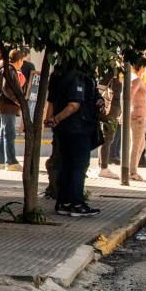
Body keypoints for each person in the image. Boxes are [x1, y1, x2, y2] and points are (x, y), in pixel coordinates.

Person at [45, 62, 102, 217]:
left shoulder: (56, 75)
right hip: (78, 128)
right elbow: (74, 105)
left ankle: (64, 203)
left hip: (63, 129)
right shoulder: (78, 76)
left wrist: (51, 120)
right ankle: (76, 204)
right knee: (79, 165)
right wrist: (56, 119)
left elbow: (51, 101)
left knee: (67, 165)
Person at [0, 49, 25, 171]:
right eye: (22, 60)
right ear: (19, 60)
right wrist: (17, 100)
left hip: (2, 105)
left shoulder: (3, 67)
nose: (23, 63)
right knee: (9, 134)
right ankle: (11, 162)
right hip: (8, 106)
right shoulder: (10, 69)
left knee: (3, 132)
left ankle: (0, 161)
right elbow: (6, 88)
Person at [97, 68, 122, 179]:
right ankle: (103, 168)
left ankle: (102, 166)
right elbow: (100, 89)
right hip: (109, 111)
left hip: (113, 110)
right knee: (108, 138)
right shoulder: (113, 72)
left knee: (106, 138)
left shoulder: (118, 72)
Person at [129, 59, 146, 182]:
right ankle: (132, 172)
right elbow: (129, 95)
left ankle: (133, 170)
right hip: (138, 115)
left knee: (141, 144)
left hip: (140, 114)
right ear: (141, 67)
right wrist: (124, 112)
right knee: (137, 144)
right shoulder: (136, 79)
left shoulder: (136, 78)